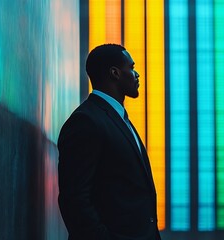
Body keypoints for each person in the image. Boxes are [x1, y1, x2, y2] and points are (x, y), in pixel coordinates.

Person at [57, 44, 162, 240]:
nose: (136, 74)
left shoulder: (118, 119)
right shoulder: (86, 121)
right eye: (131, 68)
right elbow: (75, 199)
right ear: (114, 73)